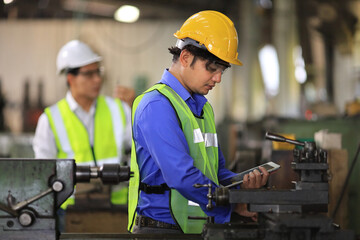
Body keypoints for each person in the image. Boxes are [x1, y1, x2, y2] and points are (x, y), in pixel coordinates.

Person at [128, 10, 269, 234]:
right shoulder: (157, 106)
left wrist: (243, 185)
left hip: (196, 226)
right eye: (212, 68)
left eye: (222, 70)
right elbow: (181, 176)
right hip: (161, 230)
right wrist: (232, 204)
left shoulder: (203, 108)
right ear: (185, 57)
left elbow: (217, 173)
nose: (218, 78)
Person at [33, 40, 132, 230]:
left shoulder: (118, 109)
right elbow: (43, 173)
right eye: (89, 74)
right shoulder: (51, 119)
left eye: (98, 72)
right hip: (70, 214)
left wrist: (137, 106)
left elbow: (137, 150)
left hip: (116, 209)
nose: (97, 80)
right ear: (70, 78)